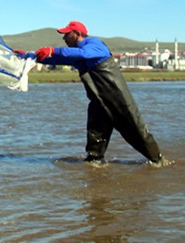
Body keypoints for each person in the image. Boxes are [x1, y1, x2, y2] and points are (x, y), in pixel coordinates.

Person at [24, 21, 164, 164]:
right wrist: (30, 56)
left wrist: (53, 50)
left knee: (135, 130)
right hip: (98, 99)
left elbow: (85, 54)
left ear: (77, 34)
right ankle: (94, 163)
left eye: (67, 34)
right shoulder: (77, 53)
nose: (64, 38)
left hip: (117, 98)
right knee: (95, 132)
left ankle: (158, 161)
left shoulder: (94, 44)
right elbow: (59, 58)